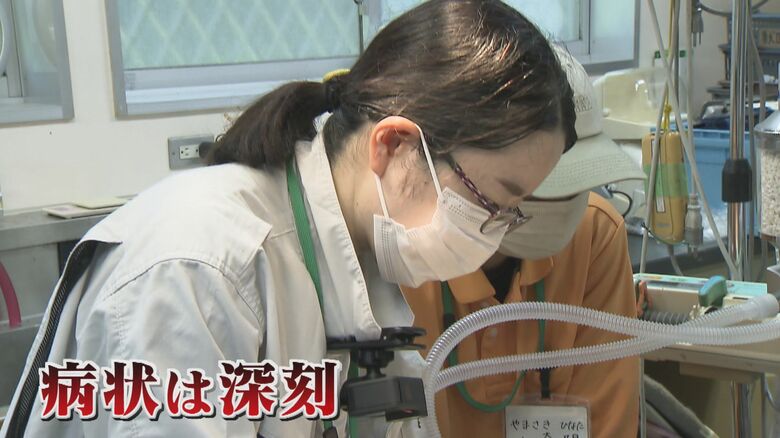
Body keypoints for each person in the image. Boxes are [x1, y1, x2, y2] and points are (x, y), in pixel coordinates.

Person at [1, 1, 576, 437]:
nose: (491, 234)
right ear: (394, 146)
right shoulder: (197, 268)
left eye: (509, 214)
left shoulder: (364, 266)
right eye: (489, 201)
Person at [401, 47, 645, 438]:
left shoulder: (595, 235)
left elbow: (607, 424)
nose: (563, 203)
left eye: (576, 182)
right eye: (537, 184)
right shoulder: (403, 251)